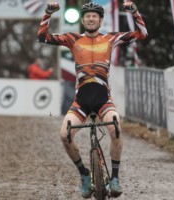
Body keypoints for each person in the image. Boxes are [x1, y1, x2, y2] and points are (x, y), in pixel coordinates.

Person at [37, 1, 147, 198]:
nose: (90, 18)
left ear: (100, 20)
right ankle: (84, 175)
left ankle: (115, 178)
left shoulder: (110, 38)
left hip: (104, 99)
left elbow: (142, 34)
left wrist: (135, 12)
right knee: (64, 135)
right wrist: (48, 13)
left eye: (94, 16)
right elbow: (42, 37)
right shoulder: (73, 39)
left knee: (116, 128)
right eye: (87, 15)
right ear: (82, 20)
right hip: (81, 100)